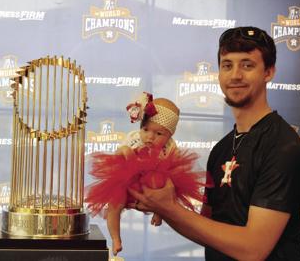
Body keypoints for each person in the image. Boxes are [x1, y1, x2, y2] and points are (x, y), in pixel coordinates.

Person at [128, 26, 300, 260]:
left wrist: (170, 208)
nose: (235, 75)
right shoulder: (222, 149)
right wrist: (161, 201)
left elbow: (253, 249)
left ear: (269, 72)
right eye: (227, 65)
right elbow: (205, 228)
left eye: (247, 65)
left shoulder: (283, 147)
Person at [85, 92, 209, 256]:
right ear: (140, 127)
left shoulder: (170, 147)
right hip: (128, 178)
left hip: (153, 181)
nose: (150, 137)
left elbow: (175, 169)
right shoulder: (134, 138)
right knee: (115, 204)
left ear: (170, 135)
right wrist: (127, 152)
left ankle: (159, 212)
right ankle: (115, 238)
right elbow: (120, 154)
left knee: (163, 185)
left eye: (159, 134)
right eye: (146, 129)